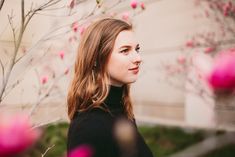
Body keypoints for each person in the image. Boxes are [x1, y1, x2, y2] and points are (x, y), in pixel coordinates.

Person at [67, 18, 153, 157]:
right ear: (96, 59)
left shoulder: (122, 110)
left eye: (137, 49)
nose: (138, 58)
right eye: (125, 51)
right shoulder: (88, 127)